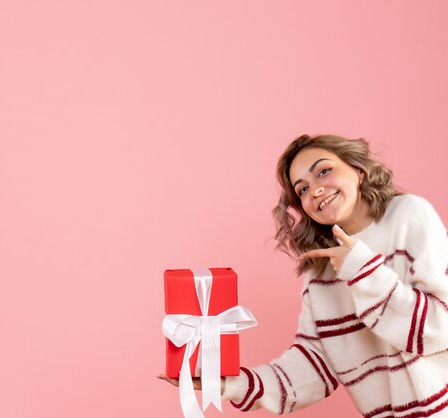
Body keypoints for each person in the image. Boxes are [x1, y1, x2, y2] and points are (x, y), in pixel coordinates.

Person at [158, 134, 448, 416]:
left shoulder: (409, 215)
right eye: (303, 190)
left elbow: (439, 328)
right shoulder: (322, 274)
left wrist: (362, 271)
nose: (316, 190)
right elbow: (315, 365)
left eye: (323, 171)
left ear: (358, 171)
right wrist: (229, 384)